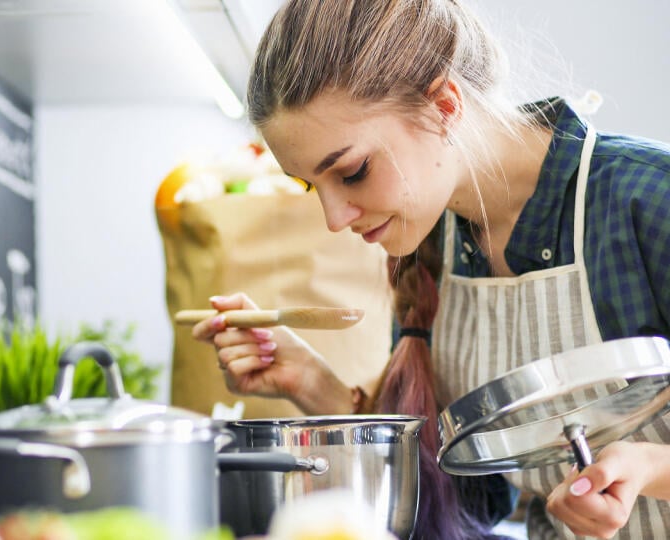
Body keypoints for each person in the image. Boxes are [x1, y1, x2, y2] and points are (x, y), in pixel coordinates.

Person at [190, 1, 670, 538]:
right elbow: (468, 498)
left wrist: (651, 466)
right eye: (311, 186)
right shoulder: (431, 246)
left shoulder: (648, 198)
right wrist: (312, 382)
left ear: (444, 105)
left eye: (352, 172)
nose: (333, 218)